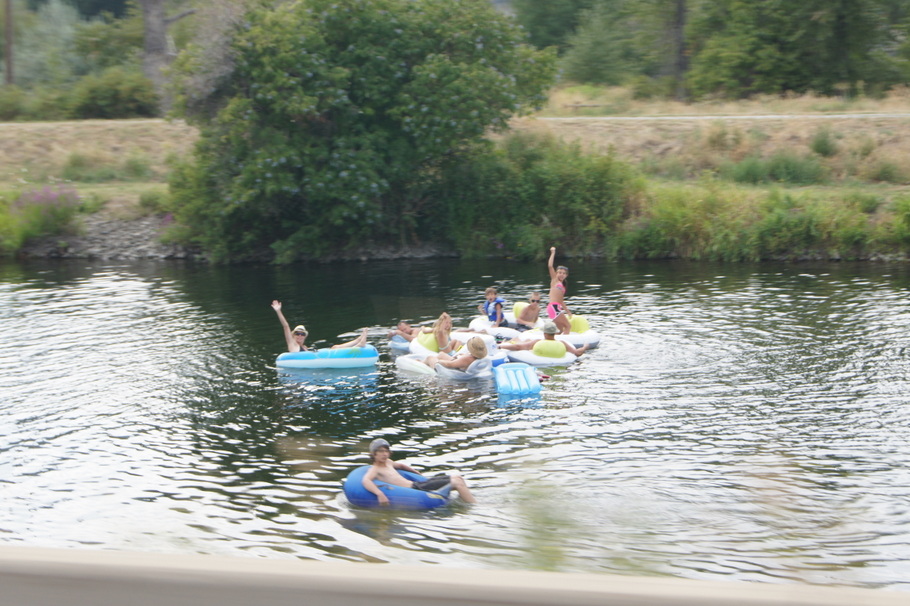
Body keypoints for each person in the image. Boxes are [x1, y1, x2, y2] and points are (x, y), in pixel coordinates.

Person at [362, 438, 476, 505]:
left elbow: (401, 465)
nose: (384, 454)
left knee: (457, 477)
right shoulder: (375, 469)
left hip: (418, 484)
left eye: (386, 451)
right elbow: (366, 481)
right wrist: (380, 494)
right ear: (374, 454)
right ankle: (473, 507)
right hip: (414, 489)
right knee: (456, 482)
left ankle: (466, 502)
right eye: (381, 451)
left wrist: (416, 472)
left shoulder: (388, 462)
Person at [271, 300, 368, 352]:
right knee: (334, 349)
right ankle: (358, 345)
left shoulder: (305, 347)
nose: (300, 335)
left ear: (305, 336)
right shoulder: (293, 345)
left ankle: (358, 341)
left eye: (302, 334)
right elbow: (286, 326)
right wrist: (278, 311)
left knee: (334, 347)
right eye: (297, 333)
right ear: (293, 335)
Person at [499, 320, 588, 357]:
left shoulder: (537, 342)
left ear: (544, 333)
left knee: (521, 341)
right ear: (555, 333)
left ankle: (509, 341)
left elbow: (518, 347)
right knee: (526, 341)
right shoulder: (562, 344)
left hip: (534, 354)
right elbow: (577, 352)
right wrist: (585, 347)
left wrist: (501, 346)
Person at [546, 246, 573, 335]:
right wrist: (553, 253)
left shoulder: (563, 286)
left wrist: (568, 312)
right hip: (553, 307)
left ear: (566, 275)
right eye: (559, 272)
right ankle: (566, 345)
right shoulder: (555, 280)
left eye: (564, 273)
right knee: (568, 326)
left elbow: (561, 301)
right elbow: (550, 266)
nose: (561, 274)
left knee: (560, 330)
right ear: (556, 273)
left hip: (556, 308)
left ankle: (553, 343)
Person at [422, 335, 488, 370]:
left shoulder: (468, 359)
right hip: (459, 364)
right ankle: (426, 363)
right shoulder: (478, 357)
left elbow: (449, 365)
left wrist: (439, 361)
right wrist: (461, 356)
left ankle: (421, 363)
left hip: (454, 369)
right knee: (441, 354)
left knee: (430, 358)